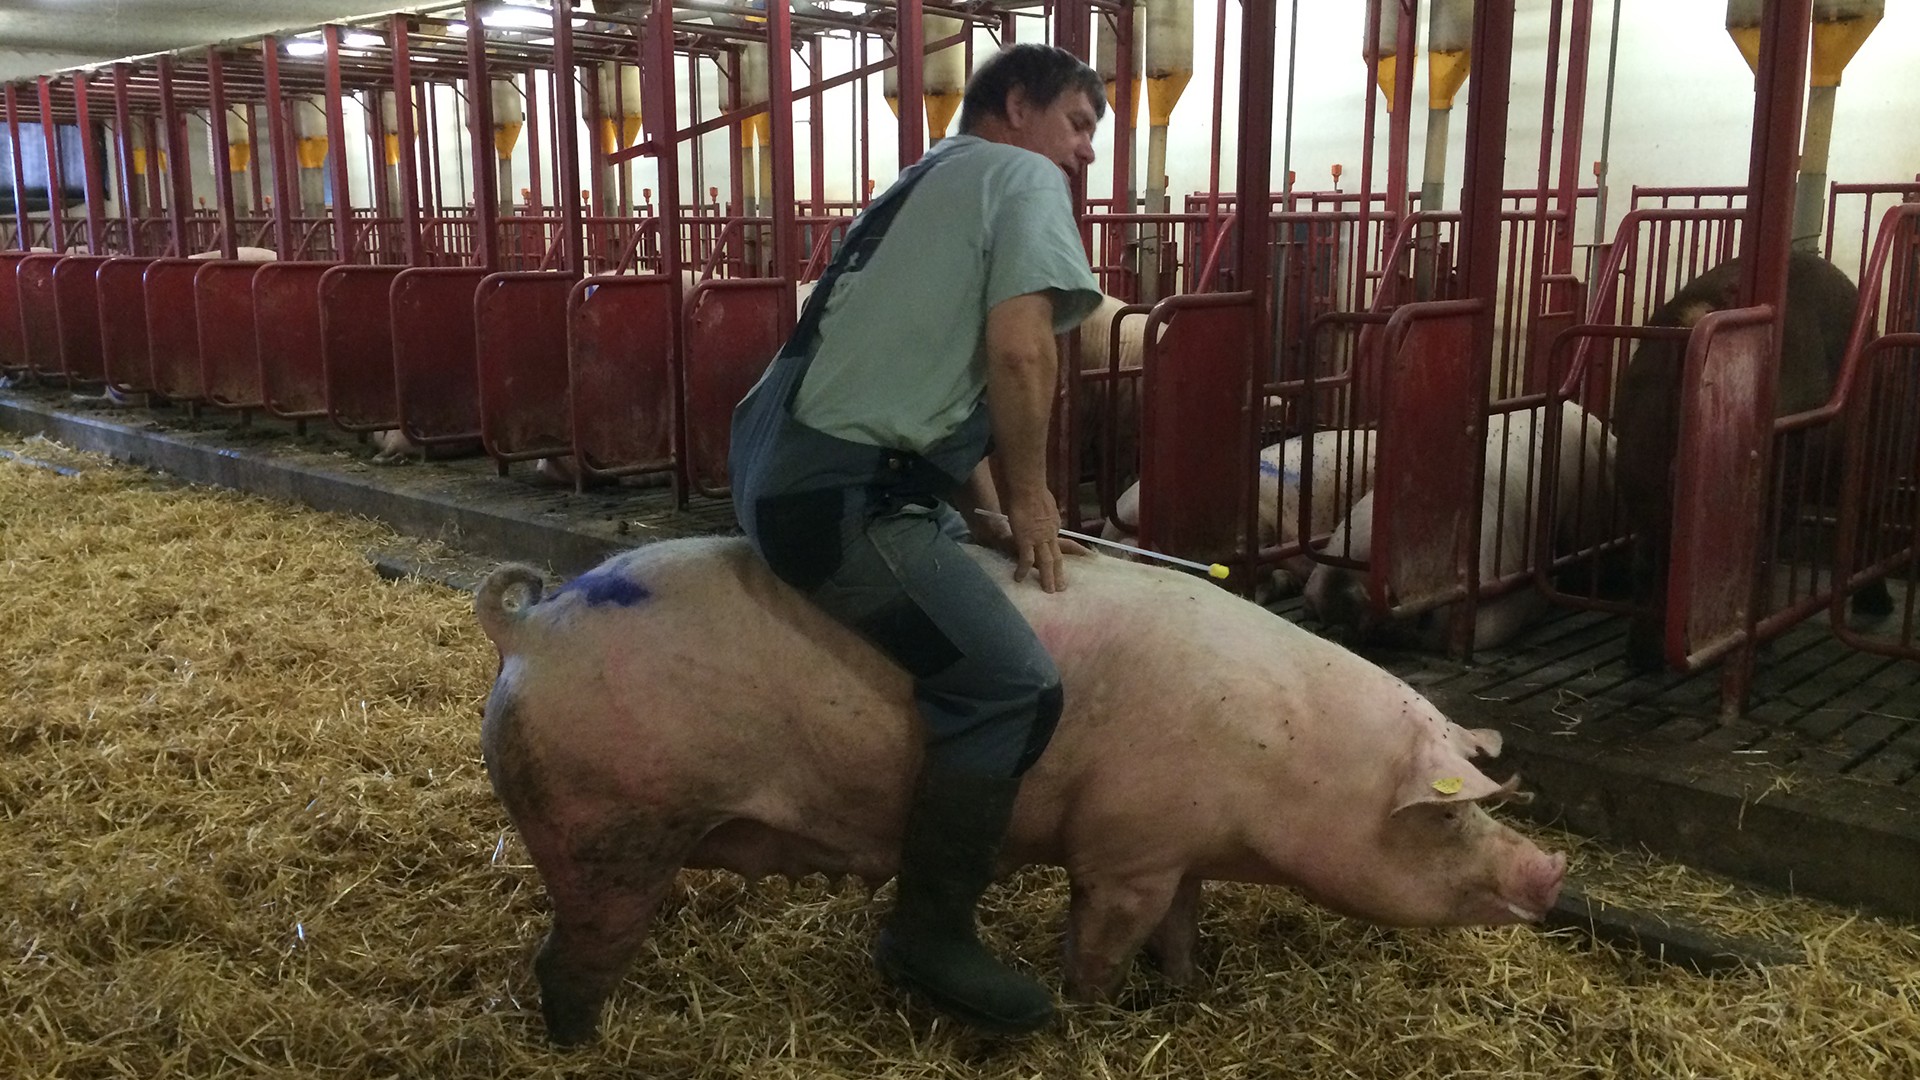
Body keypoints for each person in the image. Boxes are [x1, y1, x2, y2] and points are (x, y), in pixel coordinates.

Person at [729, 44, 1106, 1034]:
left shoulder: (930, 176)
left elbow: (946, 381)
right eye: (1075, 122)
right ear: (1018, 103)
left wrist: (977, 503)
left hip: (781, 463)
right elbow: (1020, 349)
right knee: (1010, 682)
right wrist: (1029, 496)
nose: (1080, 151)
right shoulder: (1018, 175)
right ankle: (929, 933)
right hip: (842, 496)